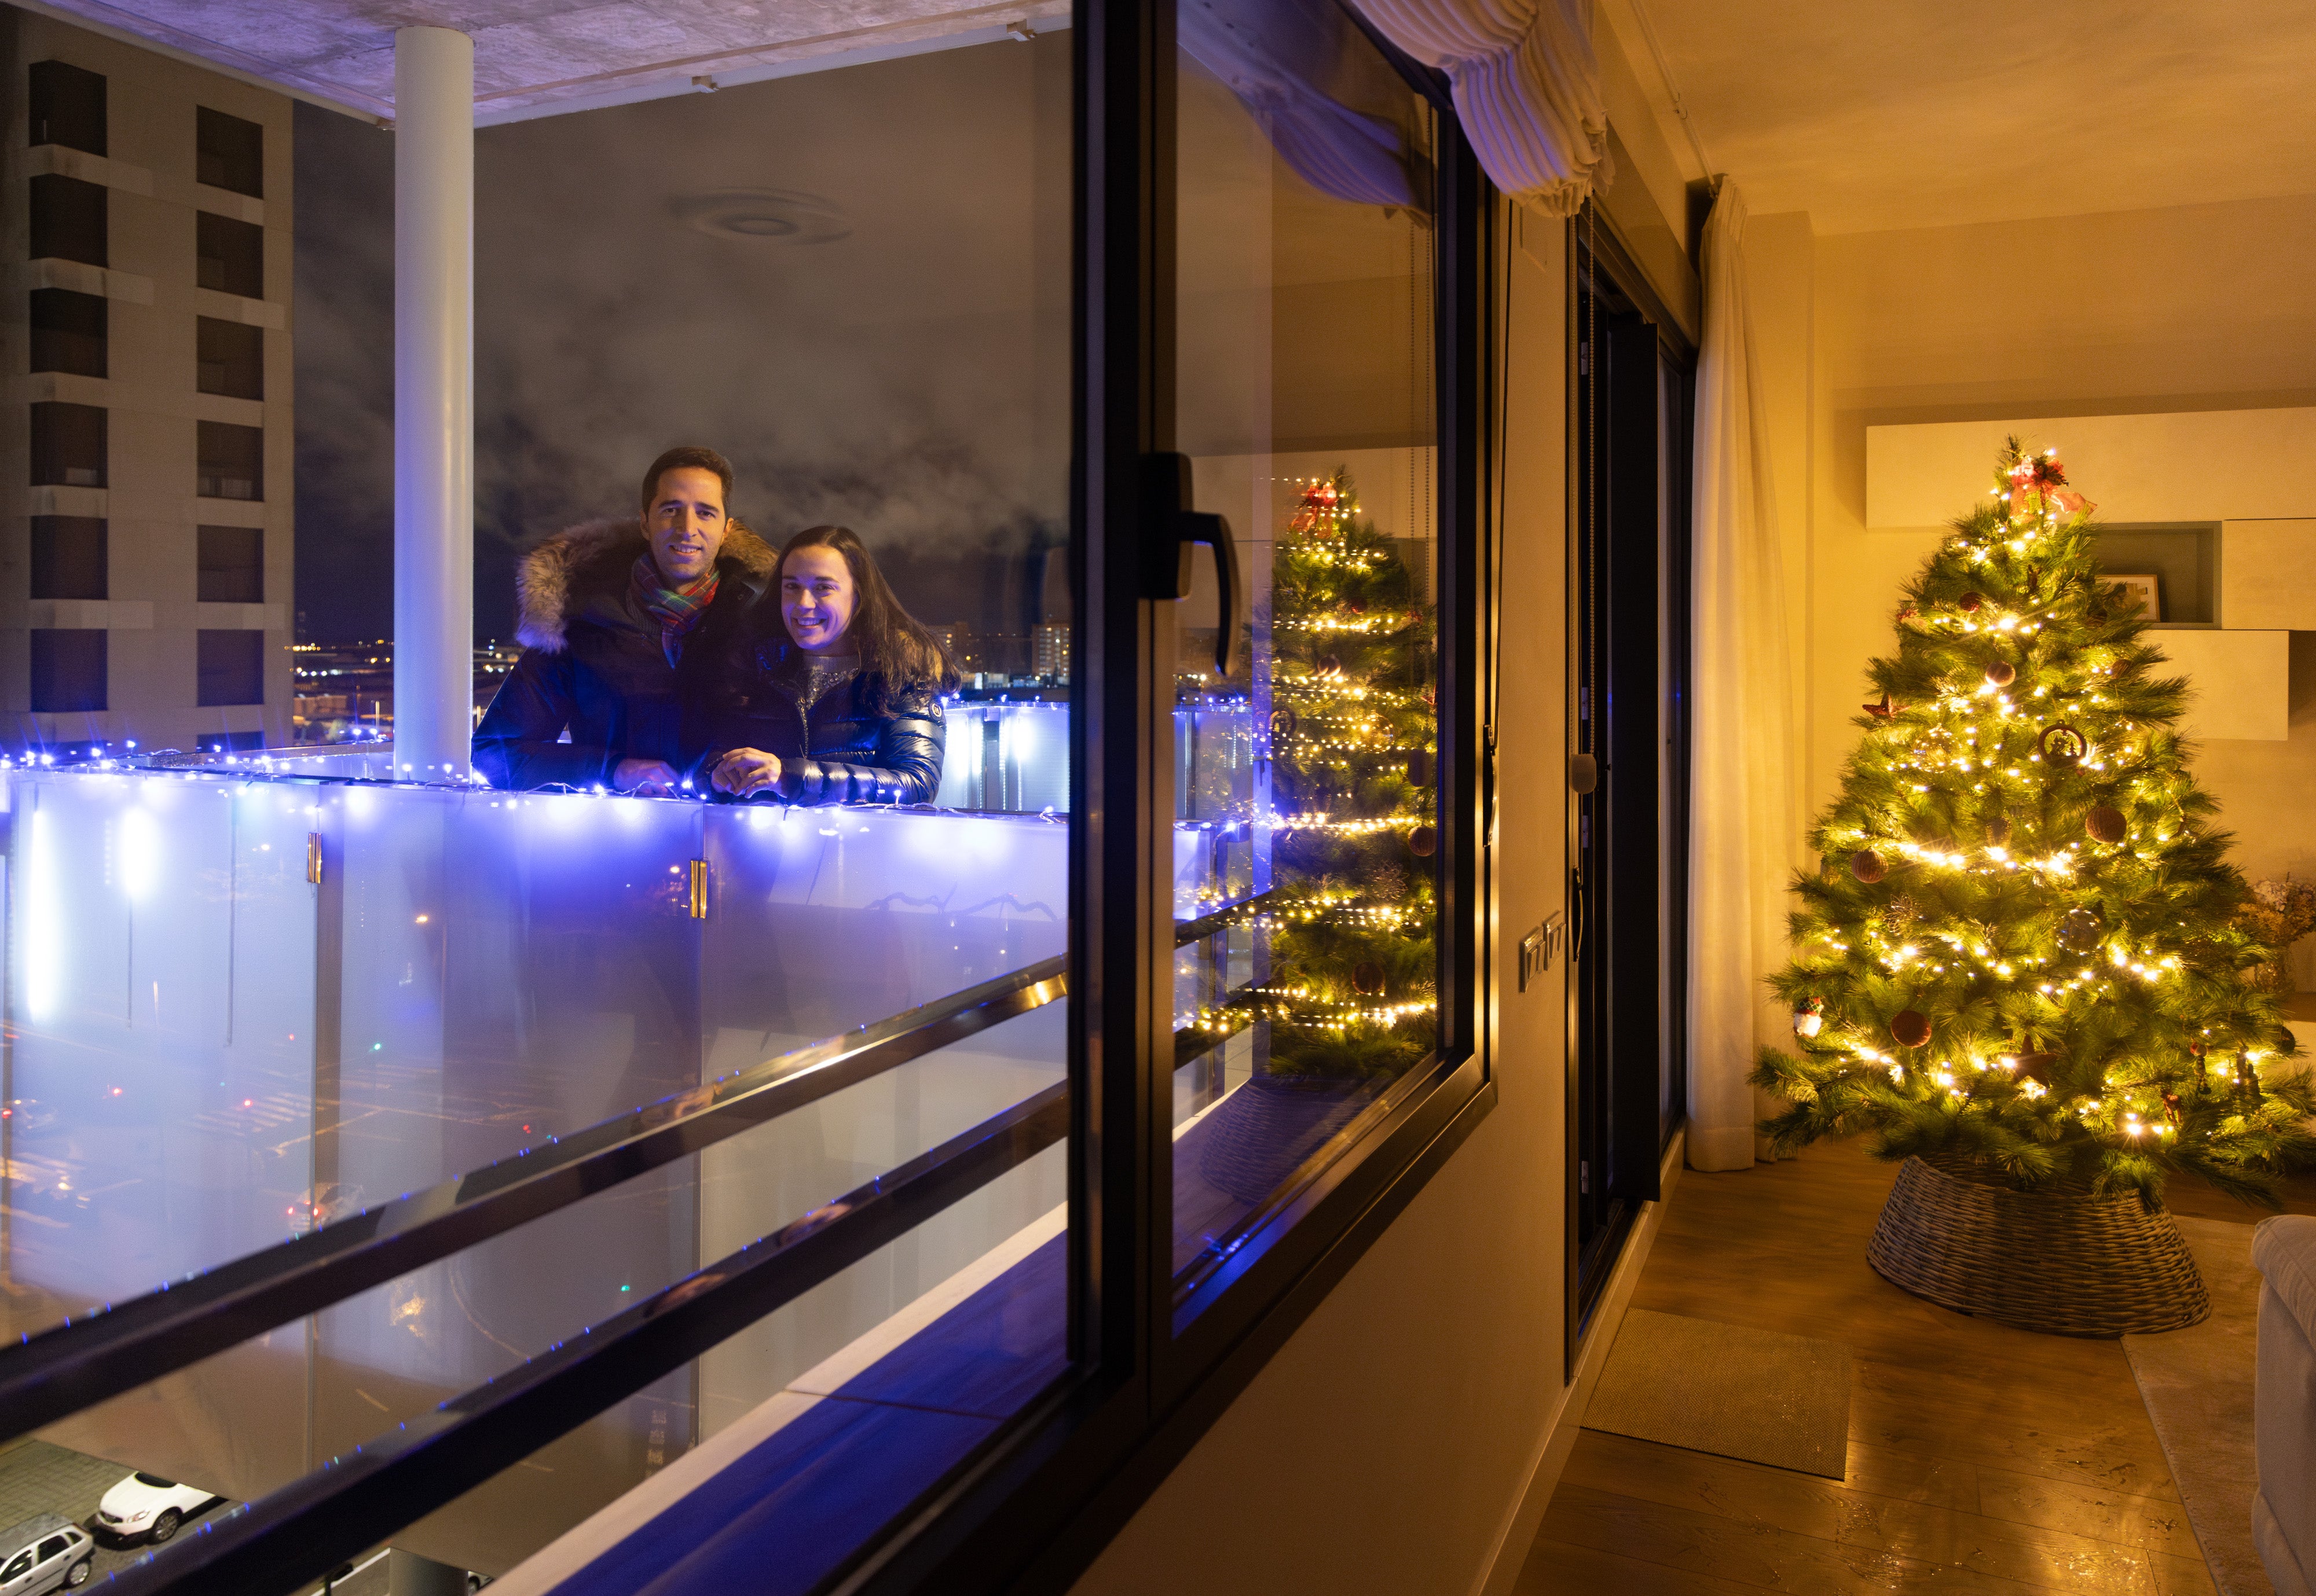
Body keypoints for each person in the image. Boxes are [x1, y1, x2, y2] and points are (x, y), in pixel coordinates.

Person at [473, 446, 772, 792]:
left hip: (733, 839)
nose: (687, 528)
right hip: (611, 838)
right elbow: (494, 753)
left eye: (705, 513)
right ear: (645, 522)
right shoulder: (580, 626)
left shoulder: (763, 626)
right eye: (670, 509)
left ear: (726, 529)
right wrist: (612, 771)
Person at [688, 524, 955, 805]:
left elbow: (917, 782)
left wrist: (791, 777)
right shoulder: (753, 665)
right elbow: (705, 760)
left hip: (861, 847)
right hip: (761, 846)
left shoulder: (901, 673)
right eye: (792, 586)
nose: (803, 603)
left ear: (859, 595)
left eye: (823, 588)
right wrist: (716, 776)